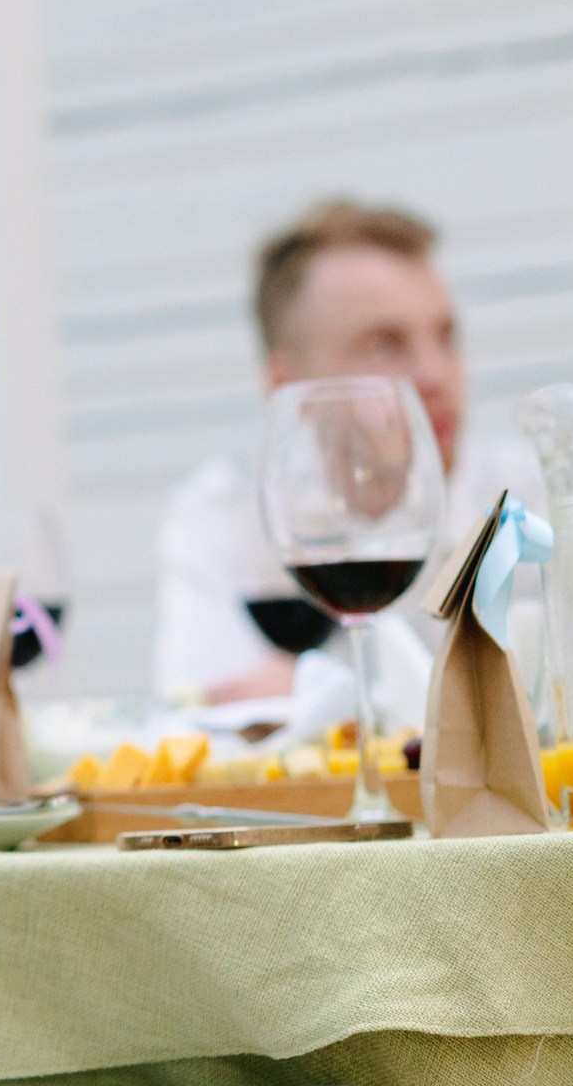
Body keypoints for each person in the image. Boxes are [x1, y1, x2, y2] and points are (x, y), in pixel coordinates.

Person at [153, 201, 542, 715]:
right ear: (287, 387)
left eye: (445, 337)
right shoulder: (224, 514)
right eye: (385, 344)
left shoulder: (526, 498)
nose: (434, 374)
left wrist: (312, 691)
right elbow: (206, 714)